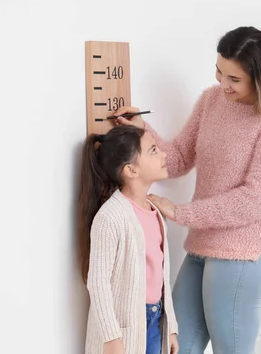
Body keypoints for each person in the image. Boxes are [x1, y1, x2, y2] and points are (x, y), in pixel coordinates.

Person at [115, 26, 261, 353]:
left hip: (244, 251)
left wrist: (180, 212)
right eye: (219, 71)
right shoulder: (211, 100)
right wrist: (143, 131)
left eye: (234, 79)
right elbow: (181, 158)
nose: (222, 84)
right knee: (173, 347)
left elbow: (254, 201)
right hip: (202, 246)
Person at [78, 125, 179, 354]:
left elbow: (162, 278)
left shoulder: (155, 211)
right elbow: (97, 282)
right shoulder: (111, 217)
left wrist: (170, 326)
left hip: (154, 320)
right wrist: (111, 336)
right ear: (131, 170)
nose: (163, 154)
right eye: (153, 151)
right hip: (124, 329)